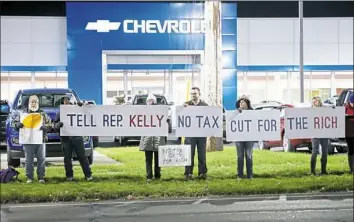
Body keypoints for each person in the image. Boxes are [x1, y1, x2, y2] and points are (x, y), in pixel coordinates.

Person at [13, 95, 52, 183]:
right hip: (28, 140)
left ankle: (41, 177)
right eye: (32, 102)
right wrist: (17, 125)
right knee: (29, 160)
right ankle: (29, 177)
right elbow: (14, 124)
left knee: (41, 159)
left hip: (40, 140)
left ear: (38, 103)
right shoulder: (23, 114)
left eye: (35, 102)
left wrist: (46, 127)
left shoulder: (42, 114)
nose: (33, 103)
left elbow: (50, 124)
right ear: (29, 103)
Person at [54, 95, 93, 181]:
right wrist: (57, 126)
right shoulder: (60, 112)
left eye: (68, 100)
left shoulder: (78, 110)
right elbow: (55, 125)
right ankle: (69, 176)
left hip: (77, 137)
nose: (66, 102)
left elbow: (89, 115)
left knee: (82, 156)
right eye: (65, 100)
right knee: (67, 158)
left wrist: (82, 106)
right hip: (66, 138)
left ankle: (88, 175)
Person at [139, 94, 167, 182]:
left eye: (152, 101)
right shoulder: (143, 112)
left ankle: (158, 175)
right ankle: (149, 176)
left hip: (158, 138)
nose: (150, 102)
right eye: (149, 100)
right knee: (148, 159)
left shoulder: (159, 111)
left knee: (158, 159)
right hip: (147, 139)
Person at [183, 87, 208, 180]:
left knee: (202, 154)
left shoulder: (205, 105)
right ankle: (188, 173)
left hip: (201, 135)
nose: (193, 95)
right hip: (190, 134)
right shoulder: (186, 104)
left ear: (199, 94)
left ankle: (202, 173)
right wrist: (182, 108)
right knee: (189, 154)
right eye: (192, 93)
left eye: (195, 93)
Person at [235, 97, 254, 179]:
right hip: (239, 137)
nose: (241, 104)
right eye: (240, 103)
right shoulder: (237, 112)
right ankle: (240, 175)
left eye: (242, 102)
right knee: (240, 156)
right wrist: (237, 112)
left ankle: (250, 175)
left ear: (247, 104)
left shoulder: (252, 112)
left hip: (249, 138)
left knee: (249, 156)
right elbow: (230, 119)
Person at [310, 97, 329, 175]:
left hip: (324, 132)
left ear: (320, 102)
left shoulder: (325, 109)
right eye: (313, 101)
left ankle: (323, 170)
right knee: (315, 151)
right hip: (315, 133)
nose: (314, 102)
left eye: (316, 101)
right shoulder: (310, 111)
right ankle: (312, 171)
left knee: (325, 151)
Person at [345, 93, 354, 173]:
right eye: (352, 102)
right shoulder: (345, 108)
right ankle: (351, 168)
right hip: (348, 133)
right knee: (351, 150)